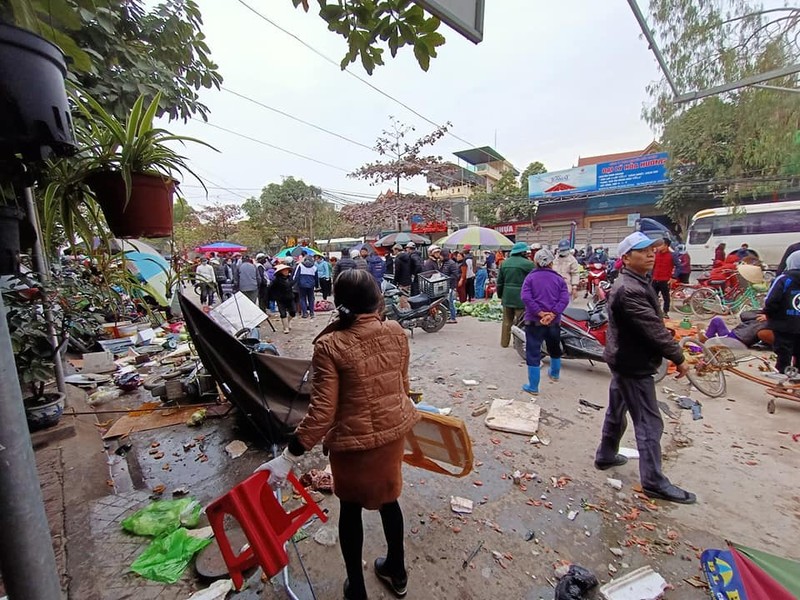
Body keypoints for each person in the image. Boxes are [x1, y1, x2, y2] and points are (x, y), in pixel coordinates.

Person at [256, 270, 420, 600]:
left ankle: (356, 589)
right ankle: (397, 573)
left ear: (339, 302)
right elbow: (403, 387)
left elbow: (321, 415)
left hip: (354, 446)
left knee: (350, 510)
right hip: (392, 437)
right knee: (390, 500)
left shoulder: (330, 345)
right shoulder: (397, 331)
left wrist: (288, 458)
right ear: (377, 299)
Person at [595, 232, 695, 505]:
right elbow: (654, 330)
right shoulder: (629, 289)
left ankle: (606, 454)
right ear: (626, 258)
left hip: (624, 358)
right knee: (649, 422)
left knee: (617, 410)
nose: (651, 254)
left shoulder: (637, 282)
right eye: (643, 251)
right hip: (633, 363)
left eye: (652, 249)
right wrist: (678, 356)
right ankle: (653, 481)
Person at [520, 249, 569, 394]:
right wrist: (552, 314)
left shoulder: (530, 278)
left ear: (536, 262)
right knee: (554, 347)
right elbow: (564, 299)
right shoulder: (559, 279)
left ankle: (533, 386)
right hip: (554, 322)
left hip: (534, 322)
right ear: (551, 263)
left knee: (533, 352)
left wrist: (540, 313)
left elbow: (526, 297)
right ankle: (554, 374)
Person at [764, 250, 800, 374]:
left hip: (783, 324)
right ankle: (797, 379)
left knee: (783, 353)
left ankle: (782, 377)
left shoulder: (783, 279)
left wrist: (770, 315)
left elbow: (771, 301)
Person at [496, 242, 534, 348]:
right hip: (521, 298)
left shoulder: (504, 263)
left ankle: (504, 343)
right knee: (521, 322)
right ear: (523, 252)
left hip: (507, 296)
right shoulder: (529, 264)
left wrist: (500, 295)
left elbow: (499, 282)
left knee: (507, 321)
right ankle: (518, 344)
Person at [270, 264, 296, 333]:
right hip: (280, 299)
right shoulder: (276, 280)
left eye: (287, 270)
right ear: (281, 272)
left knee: (293, 312)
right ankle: (286, 327)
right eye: (284, 270)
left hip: (290, 298)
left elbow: (291, 285)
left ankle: (288, 322)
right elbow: (271, 288)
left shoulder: (290, 278)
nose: (286, 272)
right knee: (283, 313)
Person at [651, 238, 674, 315]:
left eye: (660, 245)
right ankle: (654, 311)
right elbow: (653, 266)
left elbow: (679, 266)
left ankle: (665, 312)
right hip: (655, 278)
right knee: (653, 296)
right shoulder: (656, 255)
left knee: (666, 297)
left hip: (665, 279)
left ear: (666, 246)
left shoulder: (672, 255)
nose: (658, 247)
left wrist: (673, 277)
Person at [294, 253, 318, 318]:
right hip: (311, 285)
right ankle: (312, 313)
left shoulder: (300, 265)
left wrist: (294, 283)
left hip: (301, 285)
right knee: (311, 298)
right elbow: (316, 278)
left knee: (302, 298)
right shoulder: (314, 267)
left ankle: (305, 313)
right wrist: (317, 286)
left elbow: (296, 276)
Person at [439, 249, 460, 323]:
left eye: (440, 255)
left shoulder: (451, 264)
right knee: (448, 301)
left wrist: (447, 279)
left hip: (450, 286)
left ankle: (453, 317)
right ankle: (451, 315)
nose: (439, 257)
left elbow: (455, 275)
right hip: (446, 285)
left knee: (450, 301)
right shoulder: (444, 263)